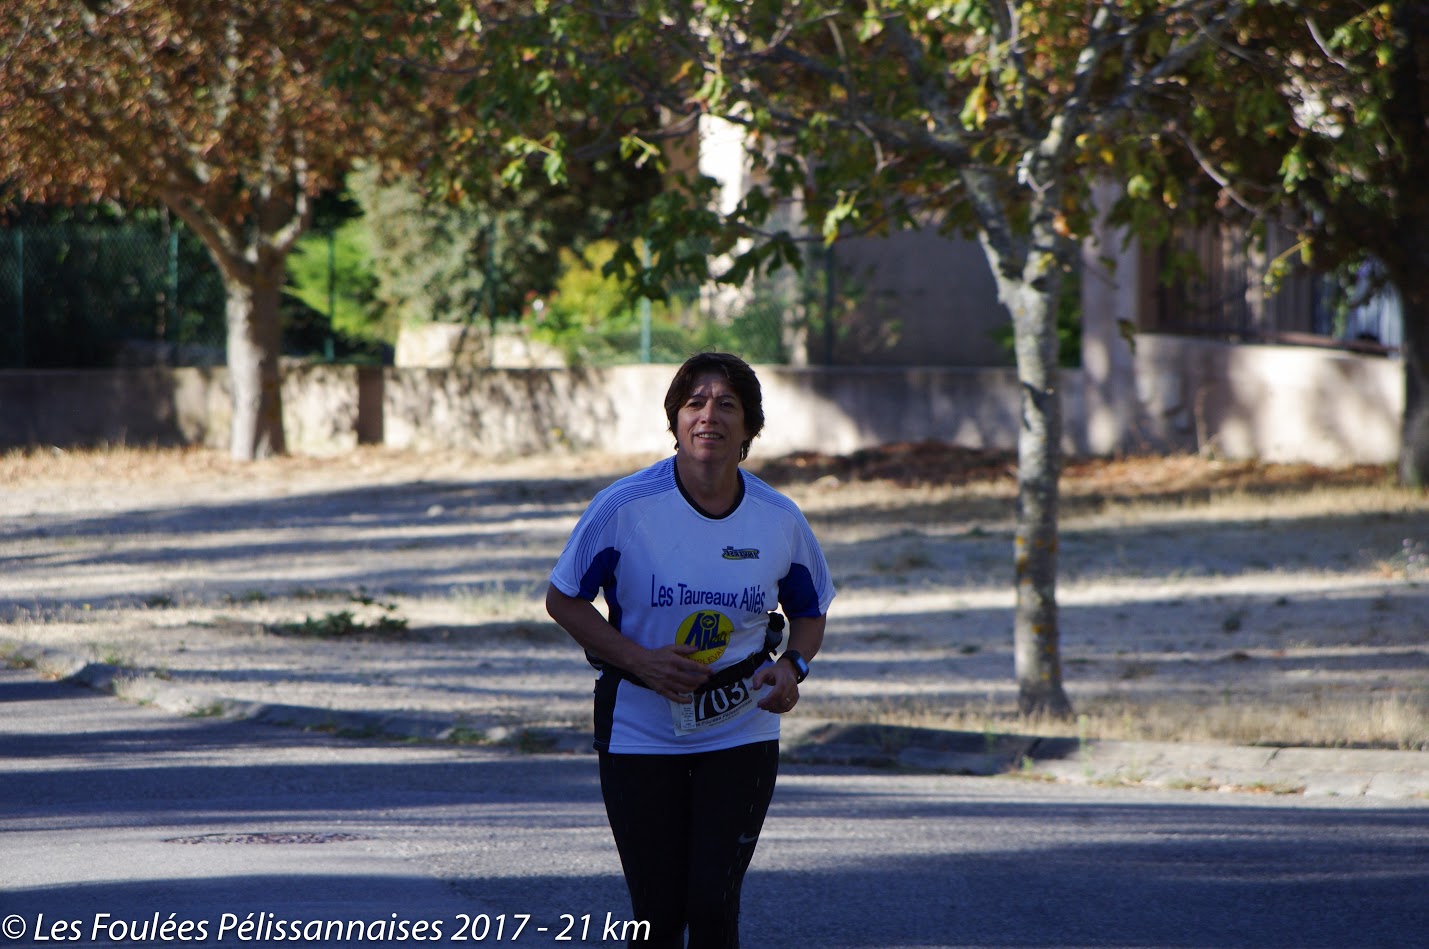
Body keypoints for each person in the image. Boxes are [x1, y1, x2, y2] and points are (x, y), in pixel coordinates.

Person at [546, 351, 835, 949]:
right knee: (657, 912)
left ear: (750, 427)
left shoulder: (778, 518)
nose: (710, 416)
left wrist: (792, 668)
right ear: (675, 420)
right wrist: (639, 659)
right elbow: (564, 599)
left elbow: (810, 609)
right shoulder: (623, 508)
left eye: (727, 404)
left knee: (712, 905)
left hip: (740, 729)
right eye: (695, 402)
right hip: (639, 727)